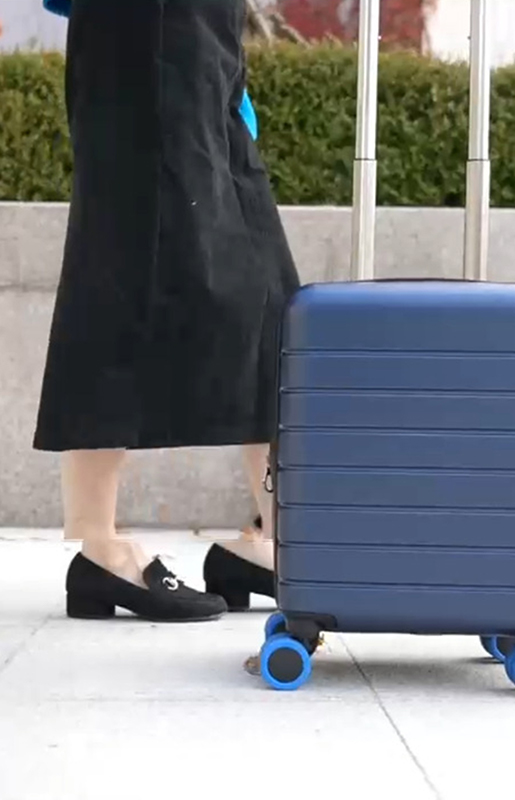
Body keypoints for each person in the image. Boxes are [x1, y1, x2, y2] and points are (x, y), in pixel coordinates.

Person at [35, 0, 300, 621]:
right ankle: (100, 547)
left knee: (270, 296)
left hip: (203, 34)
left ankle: (277, 536)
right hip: (140, 31)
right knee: (119, 272)